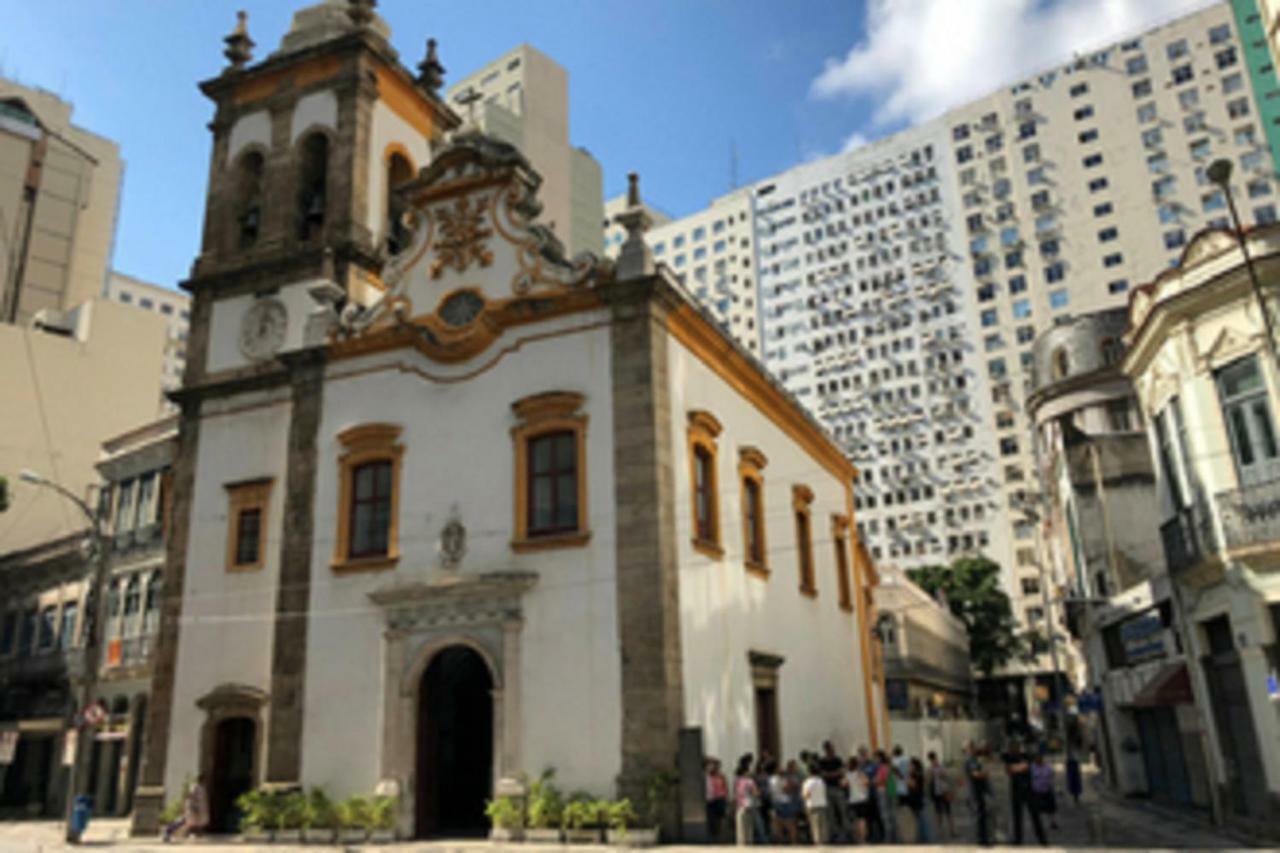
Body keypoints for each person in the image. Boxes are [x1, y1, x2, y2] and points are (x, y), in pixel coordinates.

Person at [1003, 739, 1047, 845]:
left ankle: (1042, 839)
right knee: (1017, 816)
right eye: (1011, 747)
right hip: (1016, 790)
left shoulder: (1025, 755)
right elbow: (1009, 770)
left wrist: (1017, 768)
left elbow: (1029, 765)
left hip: (1028, 790)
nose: (1013, 749)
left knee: (1035, 815)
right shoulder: (1009, 757)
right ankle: (1018, 839)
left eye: (1014, 746)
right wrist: (1020, 767)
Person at [817, 740, 848, 842]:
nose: (832, 750)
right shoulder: (822, 761)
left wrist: (830, 774)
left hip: (838, 788)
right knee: (830, 814)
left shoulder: (837, 760)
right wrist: (835, 774)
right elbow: (822, 774)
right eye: (830, 748)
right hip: (827, 788)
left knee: (842, 811)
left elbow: (842, 772)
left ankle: (845, 834)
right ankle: (834, 834)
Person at [163, 775, 209, 842]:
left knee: (192, 822)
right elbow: (190, 795)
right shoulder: (195, 786)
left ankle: (173, 832)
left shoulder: (202, 788)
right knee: (186, 821)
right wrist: (193, 806)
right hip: (192, 807)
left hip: (197, 808)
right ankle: (169, 831)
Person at [964, 741, 992, 847]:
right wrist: (985, 773)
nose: (975, 750)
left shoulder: (975, 759)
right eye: (973, 748)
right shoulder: (970, 761)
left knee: (983, 816)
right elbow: (975, 774)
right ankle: (981, 840)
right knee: (979, 817)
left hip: (979, 792)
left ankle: (984, 838)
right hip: (974, 793)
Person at [769, 760, 800, 844]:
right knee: (790, 823)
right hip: (784, 802)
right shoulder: (780, 779)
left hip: (775, 802)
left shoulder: (771, 779)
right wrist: (792, 785)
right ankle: (794, 842)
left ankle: (780, 842)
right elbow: (787, 789)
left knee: (779, 823)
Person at [927, 750, 956, 839]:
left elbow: (945, 777)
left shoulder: (937, 767)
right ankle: (945, 831)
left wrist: (939, 775)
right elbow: (929, 780)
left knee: (945, 812)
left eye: (933, 759)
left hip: (941, 791)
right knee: (942, 812)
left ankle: (948, 831)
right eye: (933, 759)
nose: (934, 760)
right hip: (940, 791)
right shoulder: (933, 768)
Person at [734, 755, 760, 846]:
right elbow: (756, 793)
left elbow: (736, 793)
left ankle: (741, 842)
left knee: (740, 826)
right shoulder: (750, 782)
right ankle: (749, 842)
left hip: (740, 805)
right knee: (749, 826)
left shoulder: (737, 781)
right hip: (750, 804)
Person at [905, 756, 932, 843]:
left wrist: (908, 778)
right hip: (915, 799)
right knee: (919, 819)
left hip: (917, 799)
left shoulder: (915, 774)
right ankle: (922, 837)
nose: (908, 766)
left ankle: (924, 838)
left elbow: (913, 785)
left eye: (910, 765)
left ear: (914, 765)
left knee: (921, 820)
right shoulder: (918, 773)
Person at [874, 749, 898, 843]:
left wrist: (874, 781)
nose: (874, 759)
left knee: (885, 815)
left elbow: (880, 780)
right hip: (891, 792)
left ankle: (889, 837)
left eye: (875, 757)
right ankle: (894, 836)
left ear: (879, 758)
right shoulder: (889, 766)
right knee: (891, 814)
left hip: (883, 792)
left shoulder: (882, 768)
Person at [801, 762, 829, 844]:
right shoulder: (821, 781)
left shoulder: (808, 782)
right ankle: (824, 840)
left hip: (812, 805)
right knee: (823, 824)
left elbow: (806, 795)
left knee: (814, 825)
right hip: (822, 804)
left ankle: (817, 841)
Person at [846, 756, 871, 844]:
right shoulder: (860, 773)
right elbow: (866, 782)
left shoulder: (848, 775)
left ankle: (858, 838)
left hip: (853, 799)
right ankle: (863, 838)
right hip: (862, 798)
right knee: (862, 820)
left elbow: (843, 783)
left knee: (856, 820)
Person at [1031, 751, 1058, 830]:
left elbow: (1052, 774)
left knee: (1051, 809)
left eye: (1040, 758)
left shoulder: (1047, 766)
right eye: (1037, 758)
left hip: (1047, 790)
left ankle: (1052, 822)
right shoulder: (1032, 767)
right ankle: (1038, 825)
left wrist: (1049, 782)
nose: (1039, 760)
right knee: (1038, 809)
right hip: (1037, 791)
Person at [706, 758, 729, 843]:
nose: (712, 767)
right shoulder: (707, 776)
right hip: (711, 799)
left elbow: (725, 787)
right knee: (712, 818)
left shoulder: (721, 776)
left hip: (720, 798)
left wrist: (726, 798)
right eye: (710, 765)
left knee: (721, 818)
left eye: (714, 765)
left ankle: (722, 837)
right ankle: (714, 836)